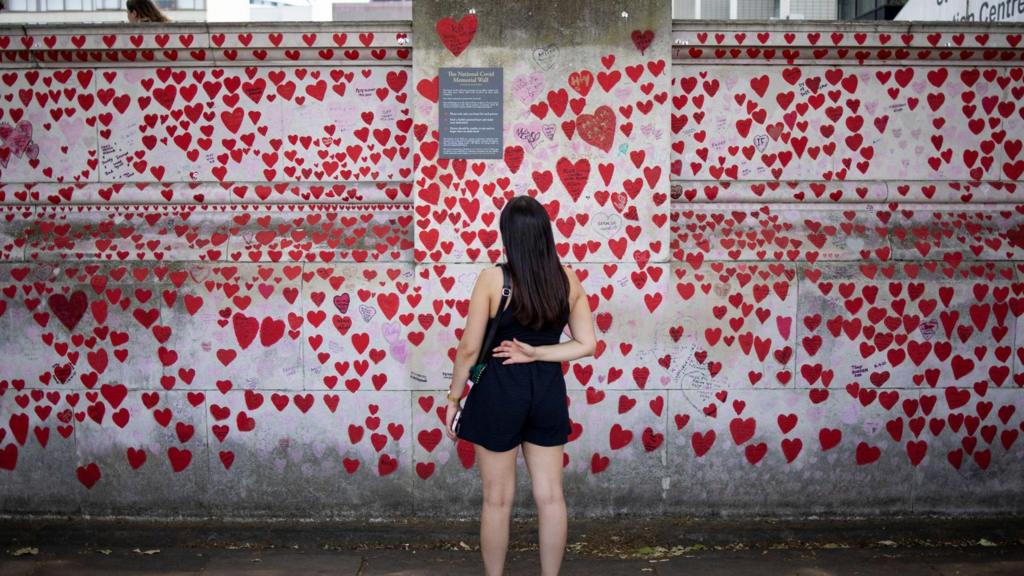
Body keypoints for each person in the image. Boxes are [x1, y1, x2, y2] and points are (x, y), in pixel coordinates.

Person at [444, 194, 597, 576]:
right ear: (545, 235)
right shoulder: (568, 280)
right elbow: (587, 344)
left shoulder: (494, 279)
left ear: (507, 236)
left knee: (497, 499)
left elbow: (468, 349)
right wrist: (537, 353)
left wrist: (453, 397)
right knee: (551, 496)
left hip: (499, 391)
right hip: (547, 392)